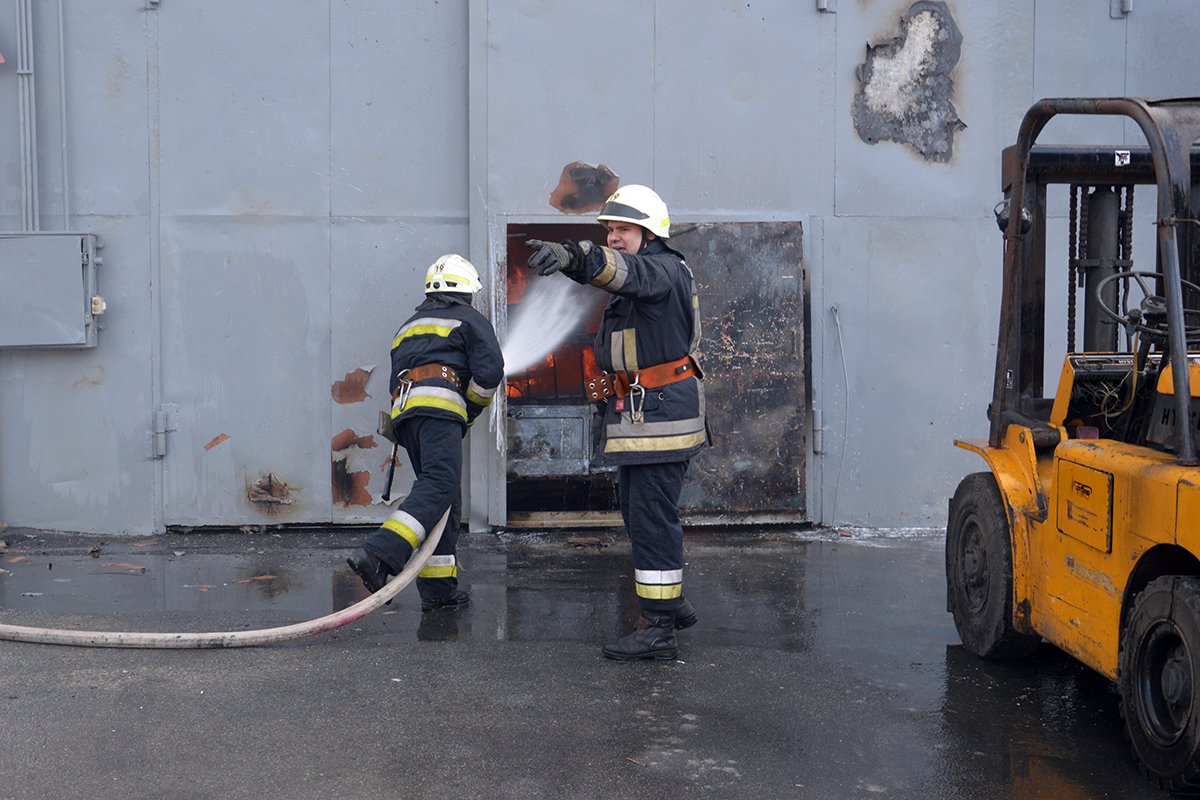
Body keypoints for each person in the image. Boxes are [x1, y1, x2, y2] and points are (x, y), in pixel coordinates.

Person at [526, 184, 709, 661]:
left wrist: (575, 256)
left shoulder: (662, 269)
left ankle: (658, 631)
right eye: (609, 229)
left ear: (650, 233)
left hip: (660, 420)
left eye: (624, 228)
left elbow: (623, 271)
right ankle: (671, 603)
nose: (613, 237)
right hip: (643, 417)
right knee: (639, 511)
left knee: (651, 519)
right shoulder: (646, 278)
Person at [347, 254, 504, 612]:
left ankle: (438, 590)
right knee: (440, 485)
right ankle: (379, 553)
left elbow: (395, 378)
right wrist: (470, 410)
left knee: (440, 496)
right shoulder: (469, 319)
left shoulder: (408, 327)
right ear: (466, 290)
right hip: (439, 412)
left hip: (408, 417)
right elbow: (490, 371)